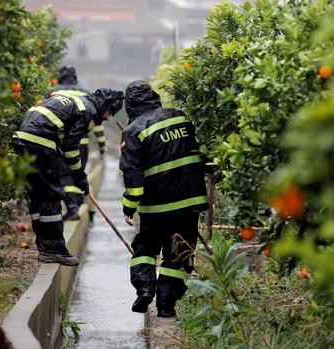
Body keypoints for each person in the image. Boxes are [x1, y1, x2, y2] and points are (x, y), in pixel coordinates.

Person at [119, 80, 208, 317]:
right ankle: (166, 306)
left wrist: (129, 206)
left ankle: (145, 289)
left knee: (145, 248)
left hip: (156, 208)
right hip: (189, 203)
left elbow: (133, 175)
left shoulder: (133, 131)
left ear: (130, 106)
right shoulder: (179, 117)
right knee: (179, 253)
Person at [13, 88, 124, 266]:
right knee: (51, 194)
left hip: (21, 138)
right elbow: (71, 147)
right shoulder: (87, 110)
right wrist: (80, 176)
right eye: (110, 112)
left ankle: (44, 247)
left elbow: (63, 142)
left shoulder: (77, 102)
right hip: (39, 141)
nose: (109, 118)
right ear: (105, 106)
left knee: (38, 194)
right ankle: (53, 250)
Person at [51, 66, 107, 220]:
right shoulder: (86, 93)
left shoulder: (54, 92)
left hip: (62, 144)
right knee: (78, 173)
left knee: (65, 176)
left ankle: (72, 207)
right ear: (75, 78)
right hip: (82, 144)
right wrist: (102, 146)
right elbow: (98, 122)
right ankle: (78, 203)